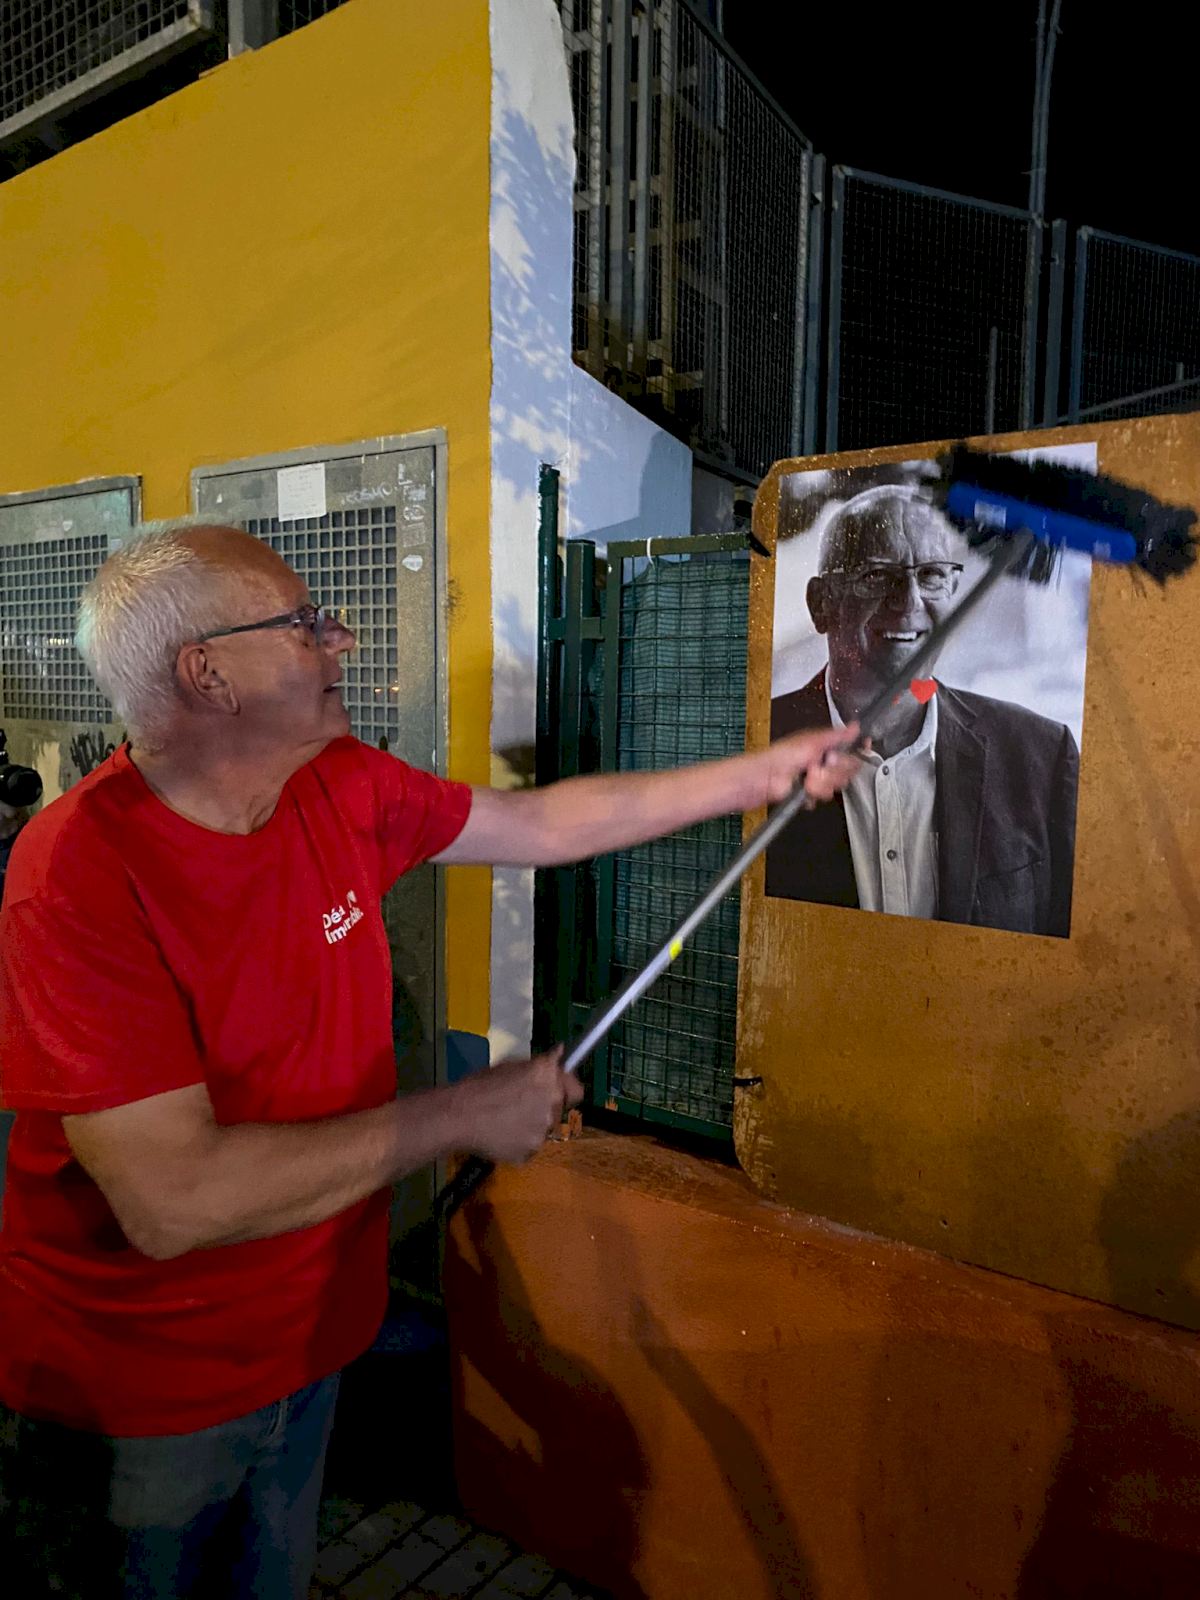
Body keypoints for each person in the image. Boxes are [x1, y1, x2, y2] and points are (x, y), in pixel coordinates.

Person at [0, 523, 859, 1600]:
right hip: (139, 1397)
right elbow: (174, 1200)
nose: (342, 640)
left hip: (309, 1343)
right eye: (304, 624)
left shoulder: (337, 783)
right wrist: (462, 1114)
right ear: (206, 674)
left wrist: (767, 771)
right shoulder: (79, 872)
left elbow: (538, 824)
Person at [766, 484, 1079, 937]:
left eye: (931, 575)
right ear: (821, 604)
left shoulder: (1043, 758)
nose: (909, 600)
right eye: (877, 575)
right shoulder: (759, 751)